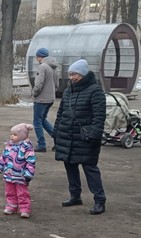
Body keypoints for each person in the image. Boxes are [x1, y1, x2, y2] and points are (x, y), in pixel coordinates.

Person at [53, 59, 107, 215]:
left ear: (83, 74)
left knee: (90, 169)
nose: (72, 77)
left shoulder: (95, 91)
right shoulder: (69, 91)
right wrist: (56, 132)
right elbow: (61, 113)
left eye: (75, 74)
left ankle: (99, 200)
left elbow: (99, 116)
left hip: (85, 138)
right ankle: (75, 196)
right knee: (70, 166)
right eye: (70, 74)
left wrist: (94, 135)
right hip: (67, 136)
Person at [0, 123, 36, 219]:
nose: (12, 136)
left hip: (21, 175)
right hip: (9, 174)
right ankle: (11, 206)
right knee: (9, 191)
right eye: (11, 134)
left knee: (22, 193)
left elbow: (31, 161)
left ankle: (24, 208)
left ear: (22, 136)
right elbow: (3, 158)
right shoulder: (9, 146)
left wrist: (29, 174)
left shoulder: (27, 148)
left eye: (15, 134)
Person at [32, 47, 59, 152]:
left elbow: (39, 84)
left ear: (39, 56)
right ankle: (57, 138)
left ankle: (41, 144)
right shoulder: (54, 67)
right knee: (43, 119)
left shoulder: (42, 67)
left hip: (41, 99)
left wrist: (34, 93)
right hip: (50, 98)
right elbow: (57, 84)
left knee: (37, 122)